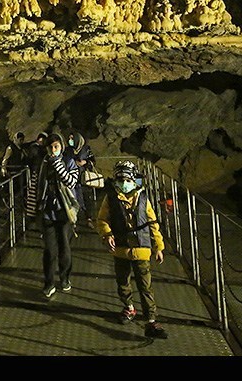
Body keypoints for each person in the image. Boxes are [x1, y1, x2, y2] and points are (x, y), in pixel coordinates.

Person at [96, 160, 168, 339]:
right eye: (120, 179)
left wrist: (158, 246)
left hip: (141, 248)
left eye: (127, 179)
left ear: (133, 179)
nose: (123, 183)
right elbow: (102, 219)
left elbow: (152, 223)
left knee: (145, 286)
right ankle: (129, 307)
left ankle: (151, 320)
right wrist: (107, 234)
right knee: (123, 283)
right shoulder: (111, 197)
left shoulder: (143, 198)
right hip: (121, 248)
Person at [34, 133, 80, 298]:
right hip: (48, 213)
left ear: (61, 146)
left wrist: (57, 163)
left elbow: (70, 182)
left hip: (65, 213)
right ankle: (49, 282)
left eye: (56, 146)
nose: (53, 150)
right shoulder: (43, 164)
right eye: (50, 147)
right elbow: (36, 186)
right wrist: (33, 210)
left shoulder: (69, 162)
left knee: (65, 250)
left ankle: (65, 277)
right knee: (49, 250)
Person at [64, 131, 97, 229]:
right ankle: (73, 220)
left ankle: (89, 219)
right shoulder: (67, 150)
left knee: (88, 199)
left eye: (72, 139)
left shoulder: (86, 149)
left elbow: (93, 161)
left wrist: (85, 162)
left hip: (84, 178)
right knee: (73, 199)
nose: (70, 141)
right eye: (69, 139)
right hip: (72, 179)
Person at [24, 131, 48, 220]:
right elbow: (30, 160)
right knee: (34, 194)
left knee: (38, 193)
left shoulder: (43, 149)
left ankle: (36, 213)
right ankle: (33, 214)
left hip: (40, 173)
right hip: (36, 173)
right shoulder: (35, 148)